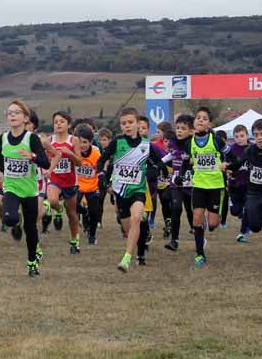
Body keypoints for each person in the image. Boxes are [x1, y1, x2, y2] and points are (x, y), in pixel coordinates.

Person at [99, 107, 166, 272]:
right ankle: (138, 249)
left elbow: (160, 162)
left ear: (137, 124)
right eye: (123, 123)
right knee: (130, 230)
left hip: (138, 190)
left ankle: (126, 259)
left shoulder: (146, 145)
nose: (127, 126)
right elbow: (102, 160)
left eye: (130, 122)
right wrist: (102, 174)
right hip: (120, 191)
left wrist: (157, 171)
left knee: (136, 218)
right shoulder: (117, 142)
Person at [0, 100, 52, 277]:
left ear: (25, 118)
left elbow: (45, 162)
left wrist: (32, 156)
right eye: (10, 112)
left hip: (29, 190)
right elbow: (0, 163)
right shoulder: (3, 138)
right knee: (10, 219)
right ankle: (15, 220)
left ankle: (31, 261)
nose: (12, 115)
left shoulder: (31, 139)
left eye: (16, 112)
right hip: (11, 188)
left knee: (31, 229)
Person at [225, 119, 262, 266]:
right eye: (256, 134)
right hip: (253, 193)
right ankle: (261, 215)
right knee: (255, 227)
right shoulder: (249, 151)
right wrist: (228, 166)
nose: (259, 137)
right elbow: (237, 164)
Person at [177, 107, 227, 267]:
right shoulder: (189, 143)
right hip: (198, 185)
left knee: (212, 224)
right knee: (196, 220)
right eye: (198, 117)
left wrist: (228, 164)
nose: (200, 120)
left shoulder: (217, 141)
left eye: (204, 118)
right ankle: (200, 254)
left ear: (209, 124)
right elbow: (185, 162)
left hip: (215, 186)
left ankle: (211, 220)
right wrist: (181, 175)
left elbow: (231, 156)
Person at [47, 111, 83, 253]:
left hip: (70, 181)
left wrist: (70, 153)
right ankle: (58, 211)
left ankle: (74, 241)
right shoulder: (49, 140)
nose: (58, 124)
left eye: (62, 121)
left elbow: (79, 162)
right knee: (52, 200)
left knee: (72, 214)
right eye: (56, 121)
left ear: (68, 124)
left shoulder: (73, 140)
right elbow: (44, 159)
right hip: (54, 179)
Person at [163, 114, 194, 252]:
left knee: (190, 210)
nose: (180, 131)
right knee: (176, 208)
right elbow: (170, 156)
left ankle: (196, 228)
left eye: (183, 128)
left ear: (191, 130)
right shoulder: (173, 142)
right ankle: (174, 240)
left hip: (191, 181)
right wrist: (160, 163)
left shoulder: (194, 143)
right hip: (176, 181)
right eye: (178, 128)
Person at [75, 125, 102, 245]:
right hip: (78, 185)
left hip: (92, 186)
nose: (82, 145)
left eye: (85, 142)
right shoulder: (74, 152)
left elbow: (100, 168)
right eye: (79, 142)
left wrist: (103, 178)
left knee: (94, 212)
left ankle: (92, 234)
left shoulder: (96, 154)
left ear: (90, 142)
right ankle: (83, 211)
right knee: (71, 205)